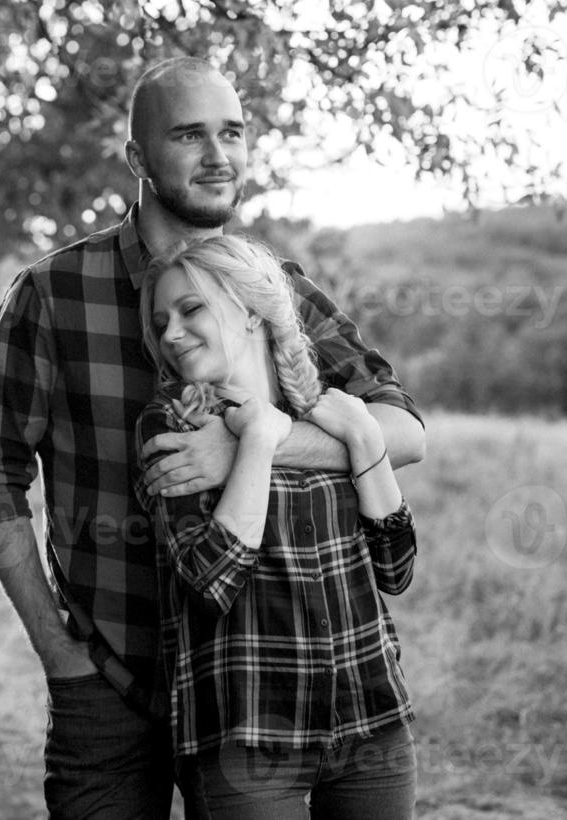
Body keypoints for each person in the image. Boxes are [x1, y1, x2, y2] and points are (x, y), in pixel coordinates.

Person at [0, 56, 426, 820]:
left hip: (257, 683)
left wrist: (252, 447)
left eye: (233, 133)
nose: (218, 155)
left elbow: (403, 431)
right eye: (189, 135)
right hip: (113, 675)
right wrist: (58, 652)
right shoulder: (52, 294)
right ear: (139, 159)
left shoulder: (269, 286)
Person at [136, 234, 417, 819]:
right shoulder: (174, 424)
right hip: (248, 738)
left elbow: (396, 569)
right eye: (161, 322)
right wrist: (258, 442)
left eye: (191, 310)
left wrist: (363, 435)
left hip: (369, 719)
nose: (171, 334)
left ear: (251, 312)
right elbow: (210, 580)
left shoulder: (328, 412)